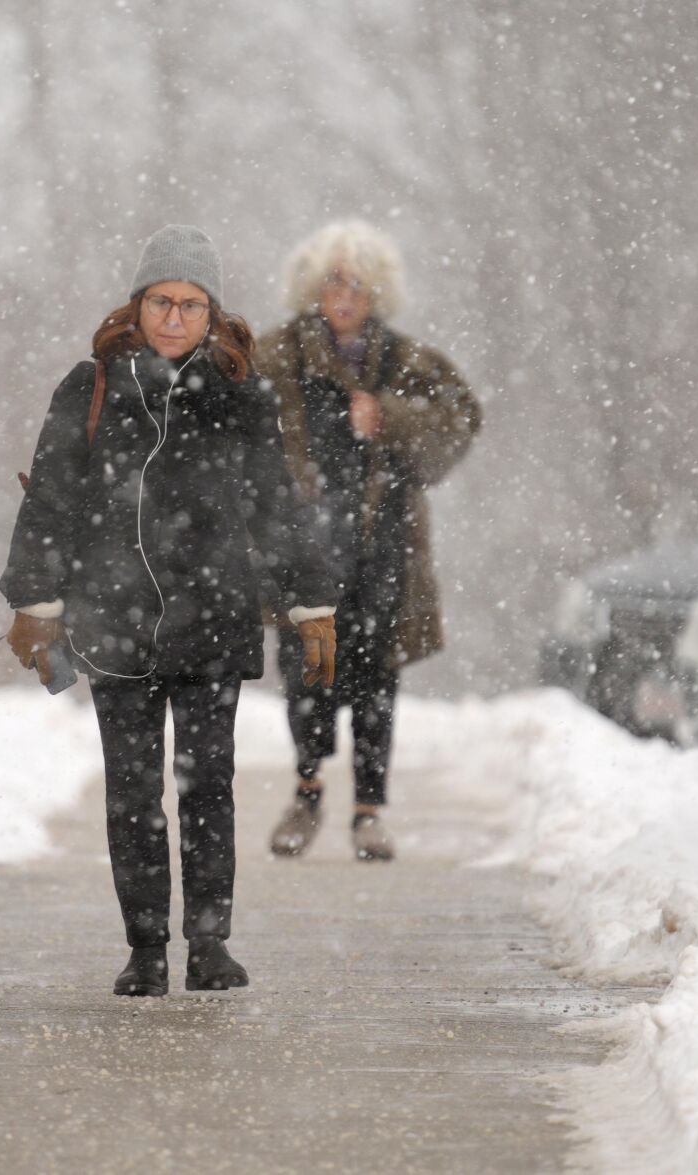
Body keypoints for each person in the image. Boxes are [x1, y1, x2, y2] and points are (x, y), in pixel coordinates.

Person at [0, 225, 337, 998]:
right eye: (162, 301)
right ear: (138, 303)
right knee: (131, 791)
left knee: (206, 786)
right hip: (113, 621)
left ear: (211, 311)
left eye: (190, 304)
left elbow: (275, 503)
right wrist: (34, 600)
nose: (175, 318)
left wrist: (310, 601)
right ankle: (145, 948)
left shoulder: (240, 393)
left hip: (214, 621)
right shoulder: (88, 387)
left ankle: (209, 944)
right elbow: (49, 500)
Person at [260, 221, 482, 863]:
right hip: (302, 550)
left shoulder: (406, 362)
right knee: (306, 676)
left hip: (386, 548)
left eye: (357, 282)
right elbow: (232, 425)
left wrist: (389, 417)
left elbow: (461, 420)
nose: (346, 295)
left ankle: (368, 810)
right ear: (313, 287)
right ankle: (306, 793)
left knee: (375, 676)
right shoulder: (279, 358)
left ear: (377, 289)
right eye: (334, 281)